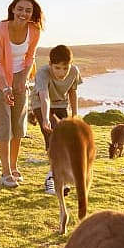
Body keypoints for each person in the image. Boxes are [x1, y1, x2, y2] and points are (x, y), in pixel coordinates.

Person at [0, 0, 43, 188]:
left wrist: (23, 78)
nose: (23, 13)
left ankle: (14, 164)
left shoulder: (34, 30)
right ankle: (5, 171)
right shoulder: (0, 30)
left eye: (28, 10)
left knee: (18, 123)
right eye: (20, 9)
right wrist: (4, 87)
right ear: (12, 9)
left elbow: (30, 57)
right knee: (4, 124)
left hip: (21, 76)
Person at [29, 44, 82, 194]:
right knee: (53, 137)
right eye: (57, 68)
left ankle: (61, 177)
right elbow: (44, 96)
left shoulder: (74, 72)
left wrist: (75, 116)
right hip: (40, 104)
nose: (61, 72)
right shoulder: (42, 73)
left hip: (61, 104)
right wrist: (45, 118)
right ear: (50, 64)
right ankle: (51, 179)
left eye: (65, 68)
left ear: (70, 65)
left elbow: (72, 93)